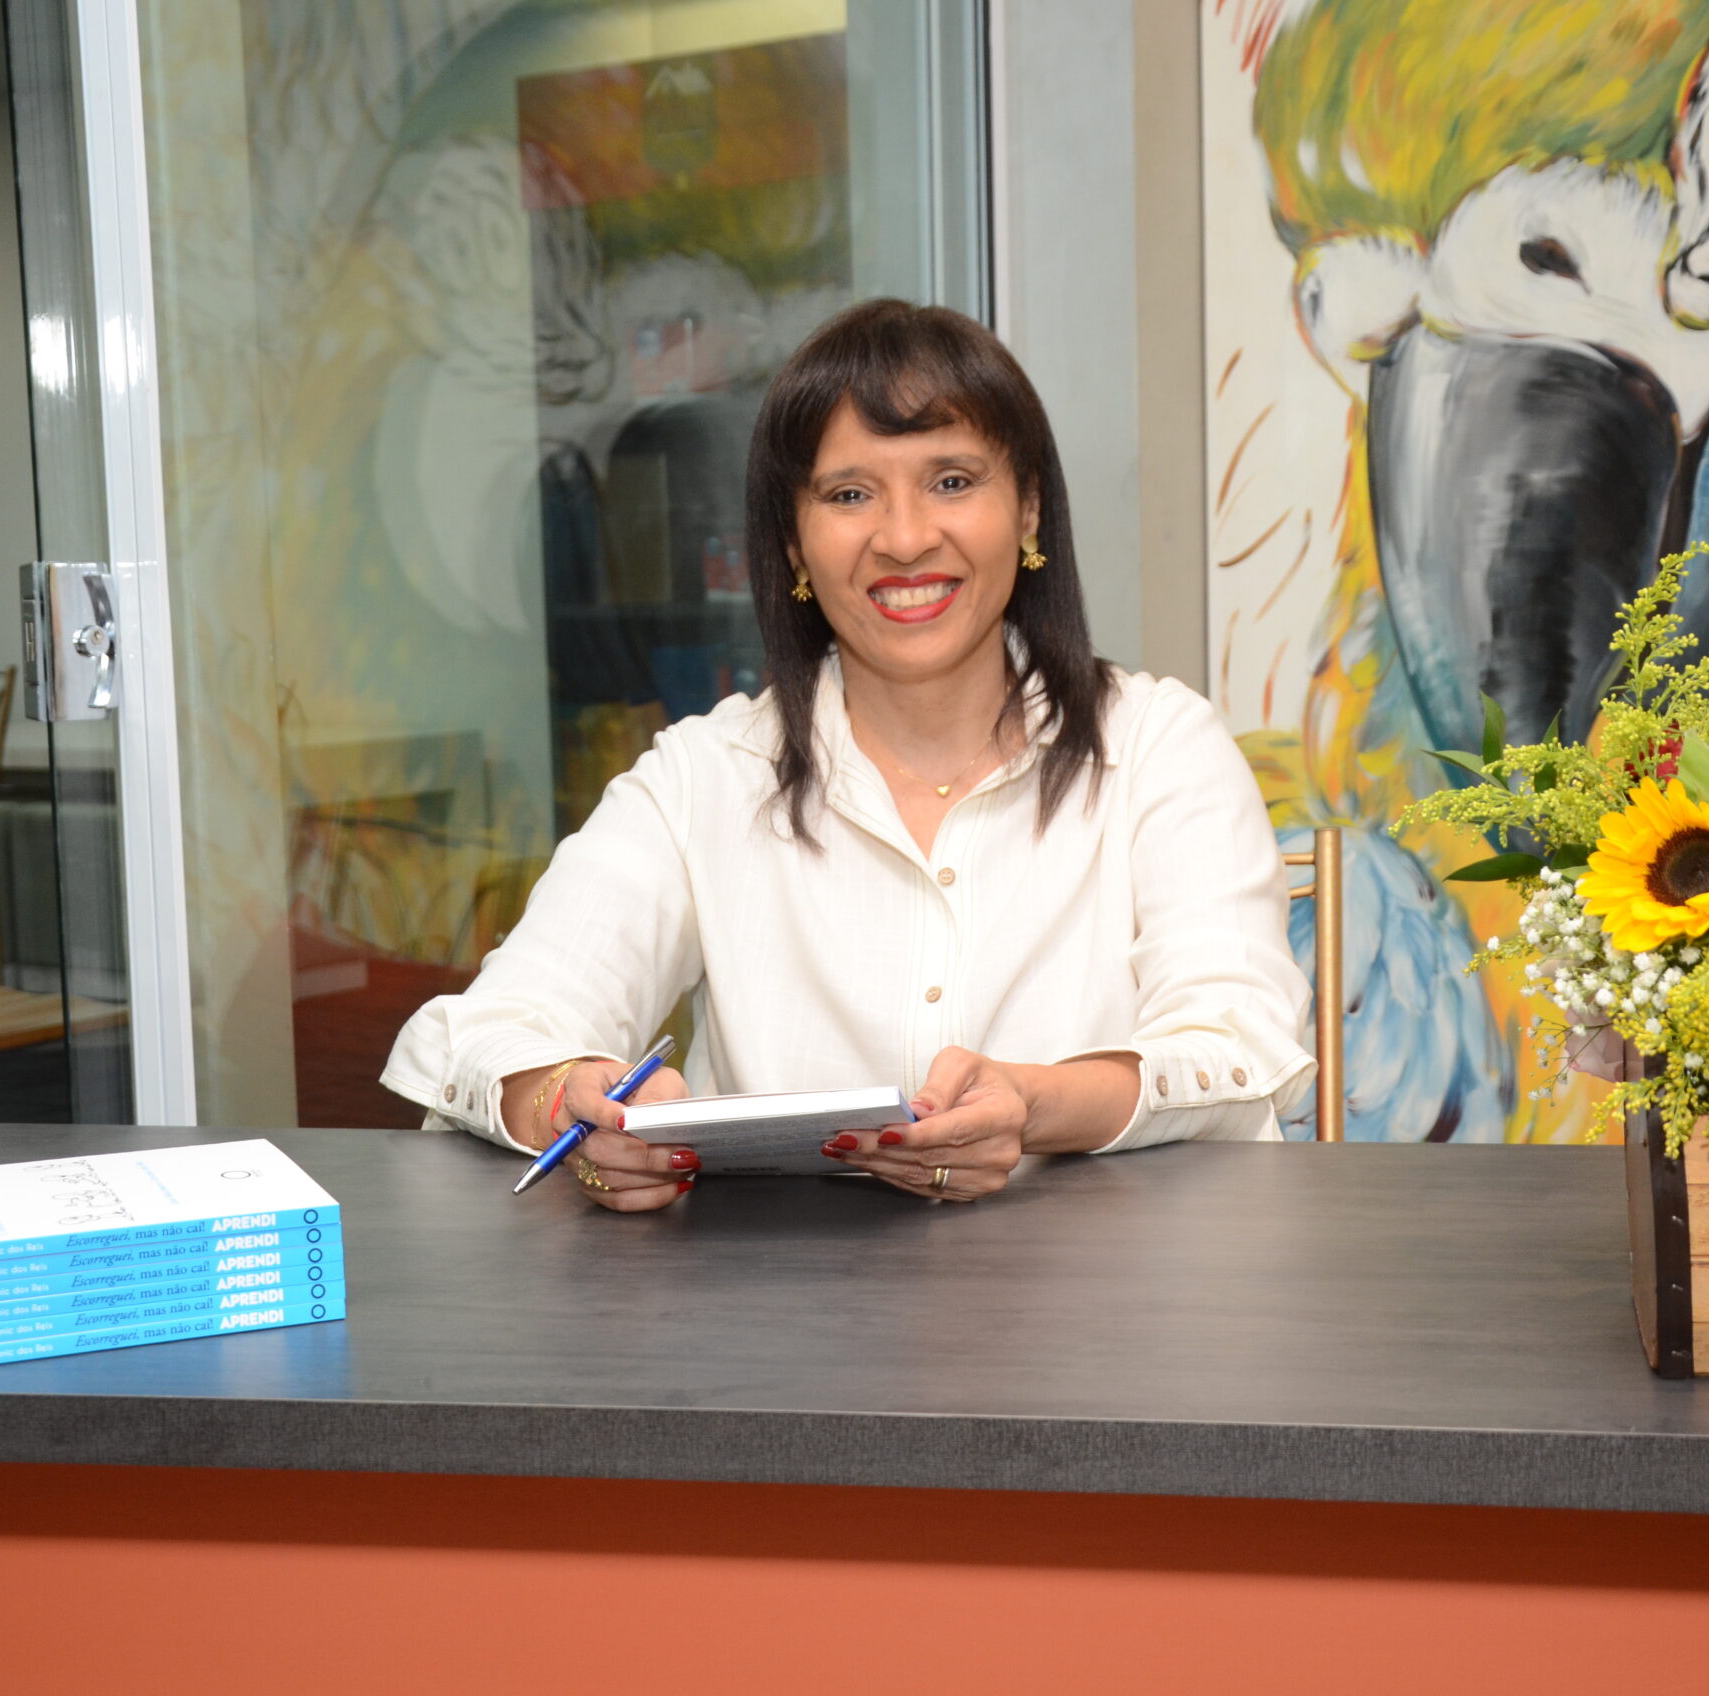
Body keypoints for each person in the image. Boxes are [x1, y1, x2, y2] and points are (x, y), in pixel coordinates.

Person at [382, 299, 1314, 1208]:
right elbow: (481, 1036)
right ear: (793, 540)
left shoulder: (1159, 748)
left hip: (1121, 1319)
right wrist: (563, 1101)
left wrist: (1033, 1105)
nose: (906, 539)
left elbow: (1238, 1049)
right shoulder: (702, 776)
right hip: (781, 1333)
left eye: (952, 480)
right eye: (850, 494)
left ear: (1028, 510)